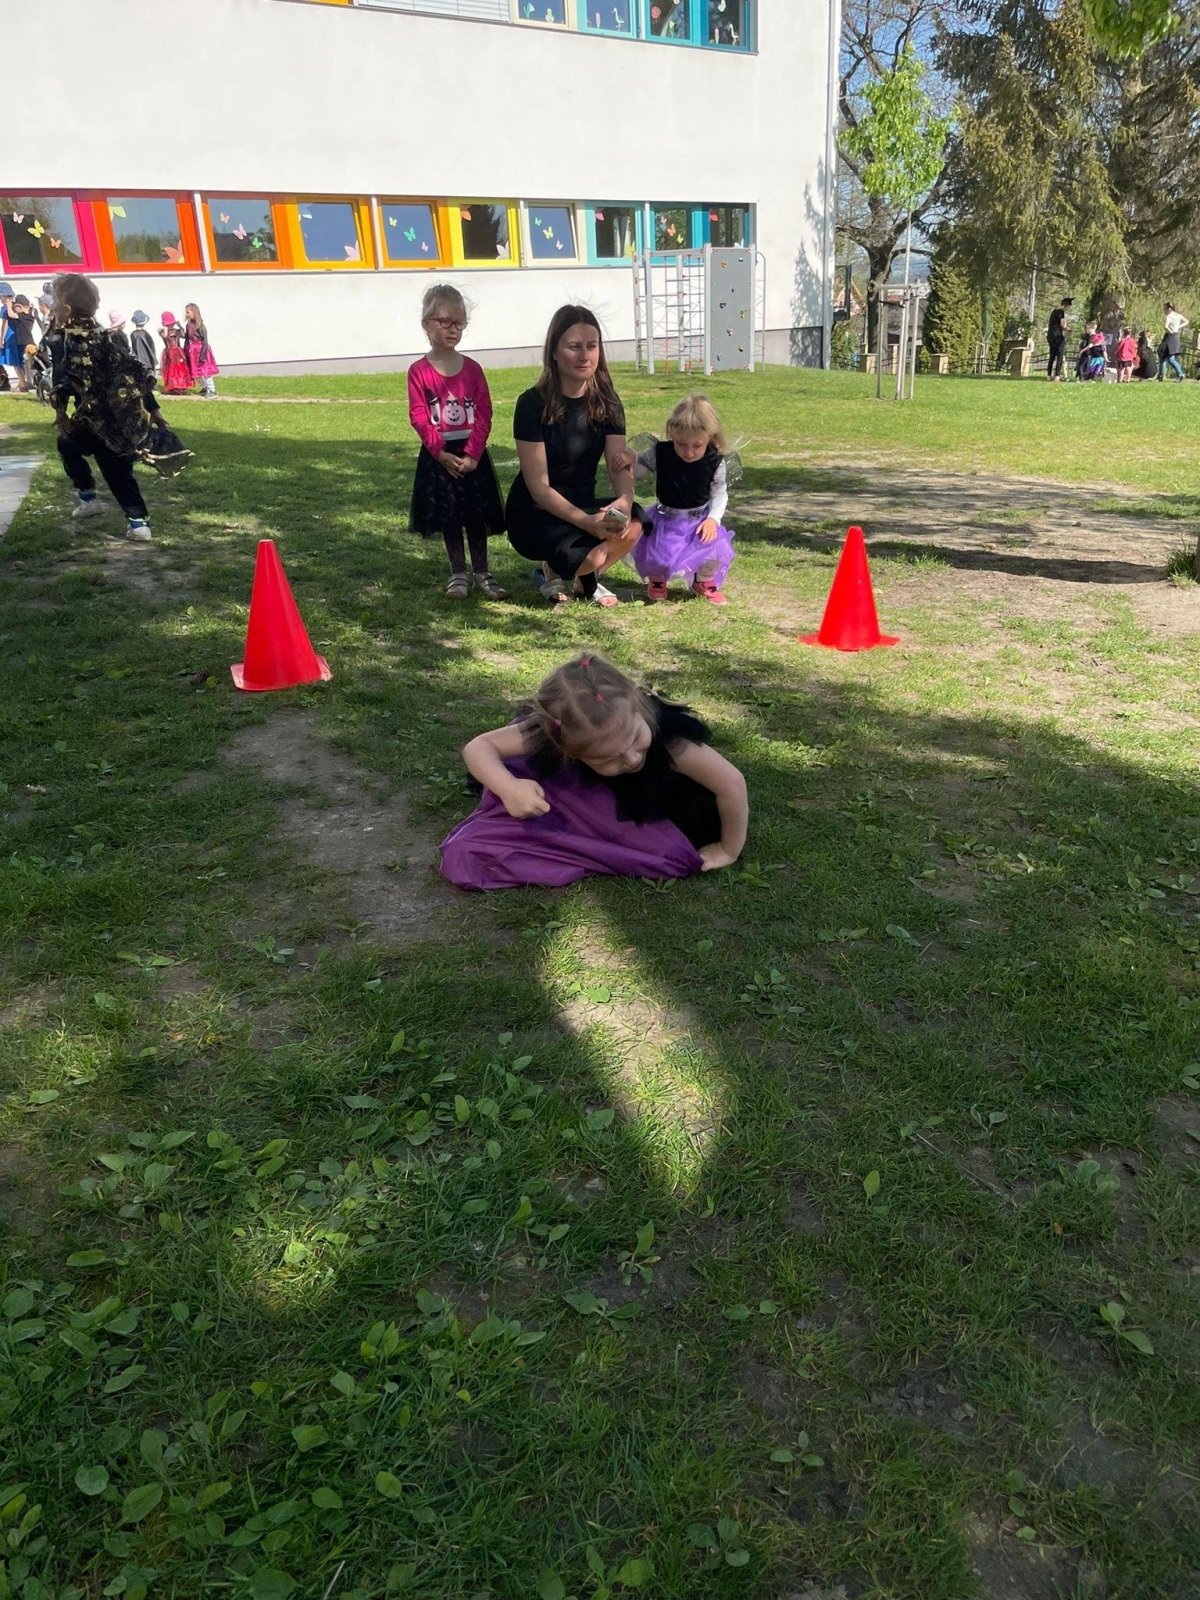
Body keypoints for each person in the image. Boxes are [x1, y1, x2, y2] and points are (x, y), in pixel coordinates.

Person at [441, 653, 749, 890]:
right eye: (607, 758)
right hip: (584, 792)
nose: (631, 759)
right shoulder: (557, 733)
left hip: (650, 798)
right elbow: (479, 747)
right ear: (566, 749)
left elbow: (731, 783)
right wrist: (509, 787)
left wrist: (728, 849)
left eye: (635, 740)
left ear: (639, 707)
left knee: (667, 849)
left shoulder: (668, 739)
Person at [505, 304, 643, 607]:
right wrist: (588, 523)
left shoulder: (608, 402)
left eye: (592, 346)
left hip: (583, 501)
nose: (585, 356)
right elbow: (539, 488)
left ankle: (582, 577)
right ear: (554, 352)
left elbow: (618, 464)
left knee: (634, 523)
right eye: (574, 347)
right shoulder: (531, 404)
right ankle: (563, 568)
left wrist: (624, 499)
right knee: (594, 554)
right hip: (535, 512)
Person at [47, 273, 190, 543]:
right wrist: (153, 409)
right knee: (109, 466)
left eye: (54, 305)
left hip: (98, 420)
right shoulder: (109, 337)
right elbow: (136, 373)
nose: (52, 310)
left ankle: (95, 500)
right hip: (117, 420)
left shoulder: (64, 341)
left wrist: (60, 411)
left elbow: (62, 379)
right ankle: (134, 521)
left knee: (85, 452)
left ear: (65, 309)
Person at [406, 283, 507, 600]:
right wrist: (439, 453)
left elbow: (485, 412)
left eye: (459, 323)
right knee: (450, 516)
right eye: (445, 321)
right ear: (427, 323)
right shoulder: (418, 372)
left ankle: (483, 573)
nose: (452, 329)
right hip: (440, 457)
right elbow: (419, 415)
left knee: (475, 516)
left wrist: (473, 454)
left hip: (471, 454)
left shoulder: (473, 370)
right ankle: (458, 573)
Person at [625, 394, 738, 605]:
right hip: (665, 518)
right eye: (681, 444)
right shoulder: (661, 452)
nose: (689, 452)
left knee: (714, 550)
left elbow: (719, 493)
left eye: (697, 445)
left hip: (699, 520)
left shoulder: (715, 460)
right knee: (660, 554)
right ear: (671, 432)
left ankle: (702, 581)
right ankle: (658, 578)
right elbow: (638, 471)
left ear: (710, 437)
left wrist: (713, 519)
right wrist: (630, 462)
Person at [183, 302, 219, 398]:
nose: (186, 314)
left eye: (188, 312)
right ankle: (204, 387)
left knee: (205, 371)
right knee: (195, 372)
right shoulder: (188, 325)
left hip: (201, 351)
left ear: (194, 312)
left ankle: (212, 390)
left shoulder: (201, 326)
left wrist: (203, 356)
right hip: (192, 353)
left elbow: (205, 342)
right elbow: (187, 338)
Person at [0, 283, 27, 391]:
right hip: (20, 335)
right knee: (20, 360)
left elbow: (5, 324)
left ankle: (23, 384)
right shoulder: (16, 306)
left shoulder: (5, 308)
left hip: (10, 336)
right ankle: (22, 382)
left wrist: (1, 339)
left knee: (15, 362)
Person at [159, 312, 192, 394]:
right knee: (171, 369)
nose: (170, 326)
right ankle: (172, 386)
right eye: (168, 324)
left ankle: (181, 385)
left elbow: (184, 336)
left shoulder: (176, 331)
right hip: (169, 353)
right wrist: (166, 329)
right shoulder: (162, 331)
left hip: (178, 352)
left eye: (171, 324)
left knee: (180, 369)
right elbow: (165, 336)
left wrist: (180, 326)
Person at [1158, 303, 1188, 382]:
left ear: (1169, 309)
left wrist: (1170, 331)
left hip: (1169, 337)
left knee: (1170, 358)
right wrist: (1178, 327)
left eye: (1165, 309)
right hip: (1175, 336)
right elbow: (1186, 321)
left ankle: (1180, 374)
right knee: (1164, 356)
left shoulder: (1169, 316)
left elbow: (1166, 326)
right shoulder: (1178, 315)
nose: (1164, 310)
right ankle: (1160, 376)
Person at [1046, 296, 1072, 382]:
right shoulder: (1061, 312)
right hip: (1058, 337)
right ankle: (1057, 376)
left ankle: (1049, 375)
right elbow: (1063, 325)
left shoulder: (1054, 312)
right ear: (1066, 305)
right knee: (1060, 357)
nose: (1068, 309)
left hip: (1051, 336)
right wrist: (1069, 328)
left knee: (1052, 357)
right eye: (1068, 307)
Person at [129, 311, 157, 376]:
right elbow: (151, 348)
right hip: (148, 361)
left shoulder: (133, 334)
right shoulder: (145, 334)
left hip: (137, 360)